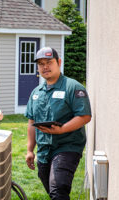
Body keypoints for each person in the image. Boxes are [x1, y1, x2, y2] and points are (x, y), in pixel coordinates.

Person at [24, 47, 91, 200]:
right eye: (41, 64)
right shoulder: (36, 92)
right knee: (54, 192)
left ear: (59, 62)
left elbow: (85, 116)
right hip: (44, 151)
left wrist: (62, 130)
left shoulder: (72, 87)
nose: (45, 67)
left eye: (49, 62)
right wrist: (29, 150)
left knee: (58, 189)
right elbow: (31, 122)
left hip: (67, 146)